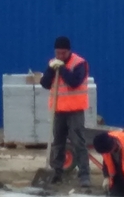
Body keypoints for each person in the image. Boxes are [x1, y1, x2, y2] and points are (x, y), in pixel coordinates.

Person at [40, 36, 91, 188]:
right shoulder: (53, 64)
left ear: (69, 51)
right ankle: (57, 173)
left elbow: (75, 82)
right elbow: (45, 83)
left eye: (63, 53)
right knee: (58, 143)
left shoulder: (79, 63)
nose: (60, 56)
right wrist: (51, 69)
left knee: (78, 143)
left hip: (75, 110)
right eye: (58, 53)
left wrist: (62, 68)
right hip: (59, 110)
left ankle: (84, 175)